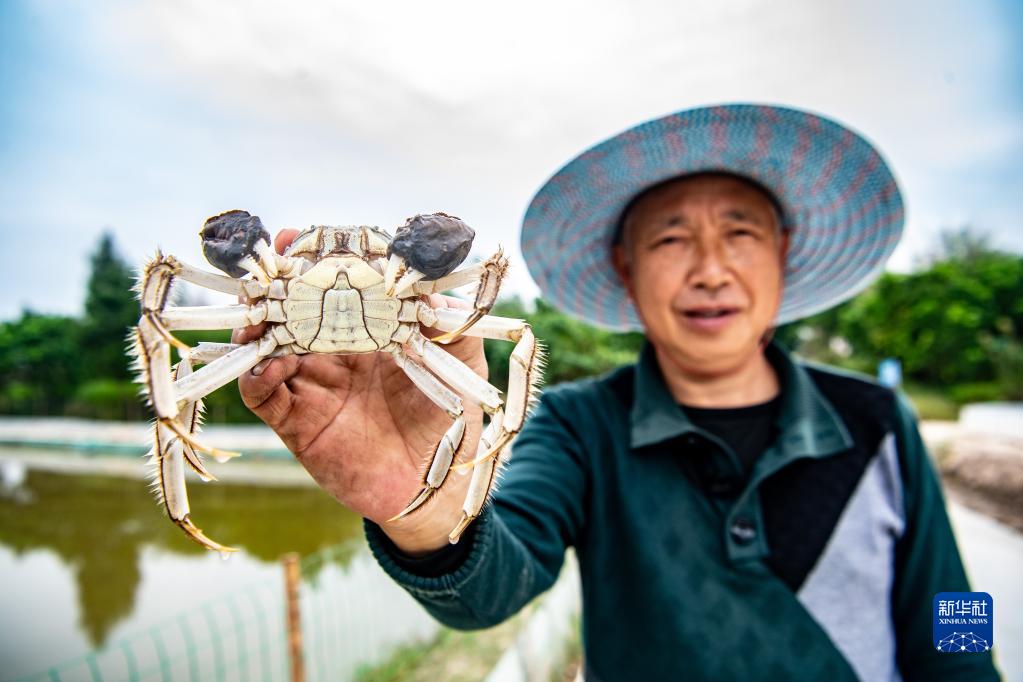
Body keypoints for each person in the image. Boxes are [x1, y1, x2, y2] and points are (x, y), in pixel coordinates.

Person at [236, 104, 1000, 680]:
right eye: (670, 239)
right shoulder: (580, 425)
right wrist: (423, 507)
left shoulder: (877, 419)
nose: (709, 270)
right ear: (625, 269)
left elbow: (952, 607)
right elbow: (488, 592)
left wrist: (972, 667)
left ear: (782, 253)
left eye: (739, 233)